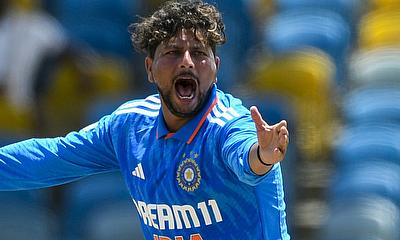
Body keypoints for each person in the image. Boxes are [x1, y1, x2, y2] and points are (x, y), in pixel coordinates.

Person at [0, 0, 290, 239]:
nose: (187, 61)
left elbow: (245, 157)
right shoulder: (129, 127)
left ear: (216, 67)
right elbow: (52, 157)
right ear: (150, 69)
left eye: (199, 53)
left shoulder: (228, 124)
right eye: (173, 52)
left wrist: (262, 156)